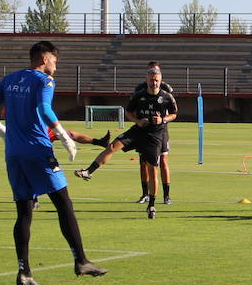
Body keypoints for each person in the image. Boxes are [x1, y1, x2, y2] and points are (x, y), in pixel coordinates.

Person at [0, 40, 107, 285]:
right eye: (55, 61)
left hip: (13, 154)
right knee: (63, 203)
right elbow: (44, 109)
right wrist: (64, 136)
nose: (56, 68)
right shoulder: (44, 81)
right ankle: (81, 260)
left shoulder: (10, 79)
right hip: (38, 151)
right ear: (44, 58)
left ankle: (24, 272)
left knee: (24, 212)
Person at [75, 63, 177, 219]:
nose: (153, 83)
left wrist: (162, 119)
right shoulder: (139, 95)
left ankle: (152, 205)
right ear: (147, 79)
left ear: (160, 79)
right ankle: (89, 171)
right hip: (137, 131)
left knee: (152, 169)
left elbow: (175, 114)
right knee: (112, 146)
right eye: (151, 80)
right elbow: (128, 112)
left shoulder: (166, 96)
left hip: (155, 135)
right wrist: (137, 121)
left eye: (156, 80)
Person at [132, 62, 174, 205]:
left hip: (161, 131)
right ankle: (145, 194)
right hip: (144, 130)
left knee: (163, 161)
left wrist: (162, 120)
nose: (154, 80)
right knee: (143, 162)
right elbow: (134, 107)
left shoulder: (166, 89)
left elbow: (171, 110)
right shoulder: (140, 89)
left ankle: (166, 195)